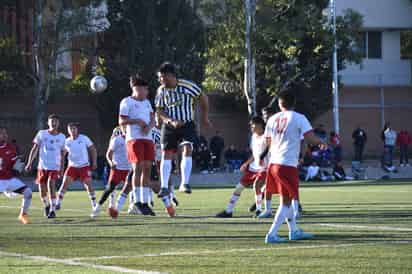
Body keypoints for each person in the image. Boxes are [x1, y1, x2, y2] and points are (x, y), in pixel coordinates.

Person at [263, 92, 326, 244]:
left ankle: (294, 231)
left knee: (288, 197)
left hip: (274, 163)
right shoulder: (299, 117)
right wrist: (322, 142)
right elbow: (310, 138)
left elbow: (268, 141)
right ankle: (271, 234)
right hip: (287, 164)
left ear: (279, 104)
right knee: (286, 201)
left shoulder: (272, 119)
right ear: (294, 102)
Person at [155, 62, 212, 198]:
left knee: (187, 148)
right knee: (166, 154)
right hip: (169, 125)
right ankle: (164, 187)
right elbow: (159, 108)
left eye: (162, 77)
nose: (161, 80)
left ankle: (184, 183)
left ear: (171, 76)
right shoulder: (161, 90)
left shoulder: (187, 86)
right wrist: (169, 121)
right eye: (159, 78)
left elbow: (203, 98)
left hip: (187, 123)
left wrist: (204, 118)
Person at [119, 75, 161, 216]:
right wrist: (137, 121)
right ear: (135, 89)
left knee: (147, 168)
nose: (146, 92)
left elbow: (152, 119)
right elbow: (122, 121)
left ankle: (144, 202)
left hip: (147, 139)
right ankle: (136, 200)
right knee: (138, 167)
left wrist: (149, 127)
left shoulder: (147, 103)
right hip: (134, 139)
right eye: (143, 89)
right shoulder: (127, 102)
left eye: (147, 89)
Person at [216, 116, 268, 218]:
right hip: (253, 168)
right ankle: (228, 211)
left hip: (264, 168)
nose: (251, 127)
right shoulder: (253, 137)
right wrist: (246, 163)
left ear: (260, 125)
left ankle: (259, 210)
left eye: (253, 125)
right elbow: (254, 154)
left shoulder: (267, 137)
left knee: (257, 185)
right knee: (238, 188)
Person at [25, 114, 66, 219]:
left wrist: (62, 169)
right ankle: (47, 205)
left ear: (58, 123)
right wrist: (29, 163)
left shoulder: (62, 137)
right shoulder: (42, 134)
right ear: (48, 122)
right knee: (42, 190)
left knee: (51, 185)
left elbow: (63, 154)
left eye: (56, 121)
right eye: (52, 121)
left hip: (54, 167)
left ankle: (52, 210)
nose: (54, 123)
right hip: (42, 166)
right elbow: (35, 149)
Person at [56, 123, 98, 211]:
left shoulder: (84, 138)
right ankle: (57, 203)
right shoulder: (67, 141)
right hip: (72, 167)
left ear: (77, 129)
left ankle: (94, 205)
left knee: (88, 185)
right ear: (68, 130)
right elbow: (62, 155)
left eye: (74, 128)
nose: (72, 130)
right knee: (64, 184)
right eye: (70, 129)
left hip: (84, 166)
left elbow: (93, 149)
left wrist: (94, 162)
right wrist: (61, 169)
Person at [91, 126, 131, 218]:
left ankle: (131, 207)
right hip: (117, 169)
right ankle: (97, 208)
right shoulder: (117, 140)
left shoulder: (132, 139)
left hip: (129, 169)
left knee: (132, 188)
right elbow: (108, 154)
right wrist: (111, 163)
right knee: (109, 189)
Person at [0, 126, 32, 224]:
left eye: (5, 133)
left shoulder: (11, 147)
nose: (5, 135)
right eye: (2, 133)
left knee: (28, 192)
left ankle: (23, 215)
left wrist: (19, 166)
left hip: (9, 179)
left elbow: (13, 164)